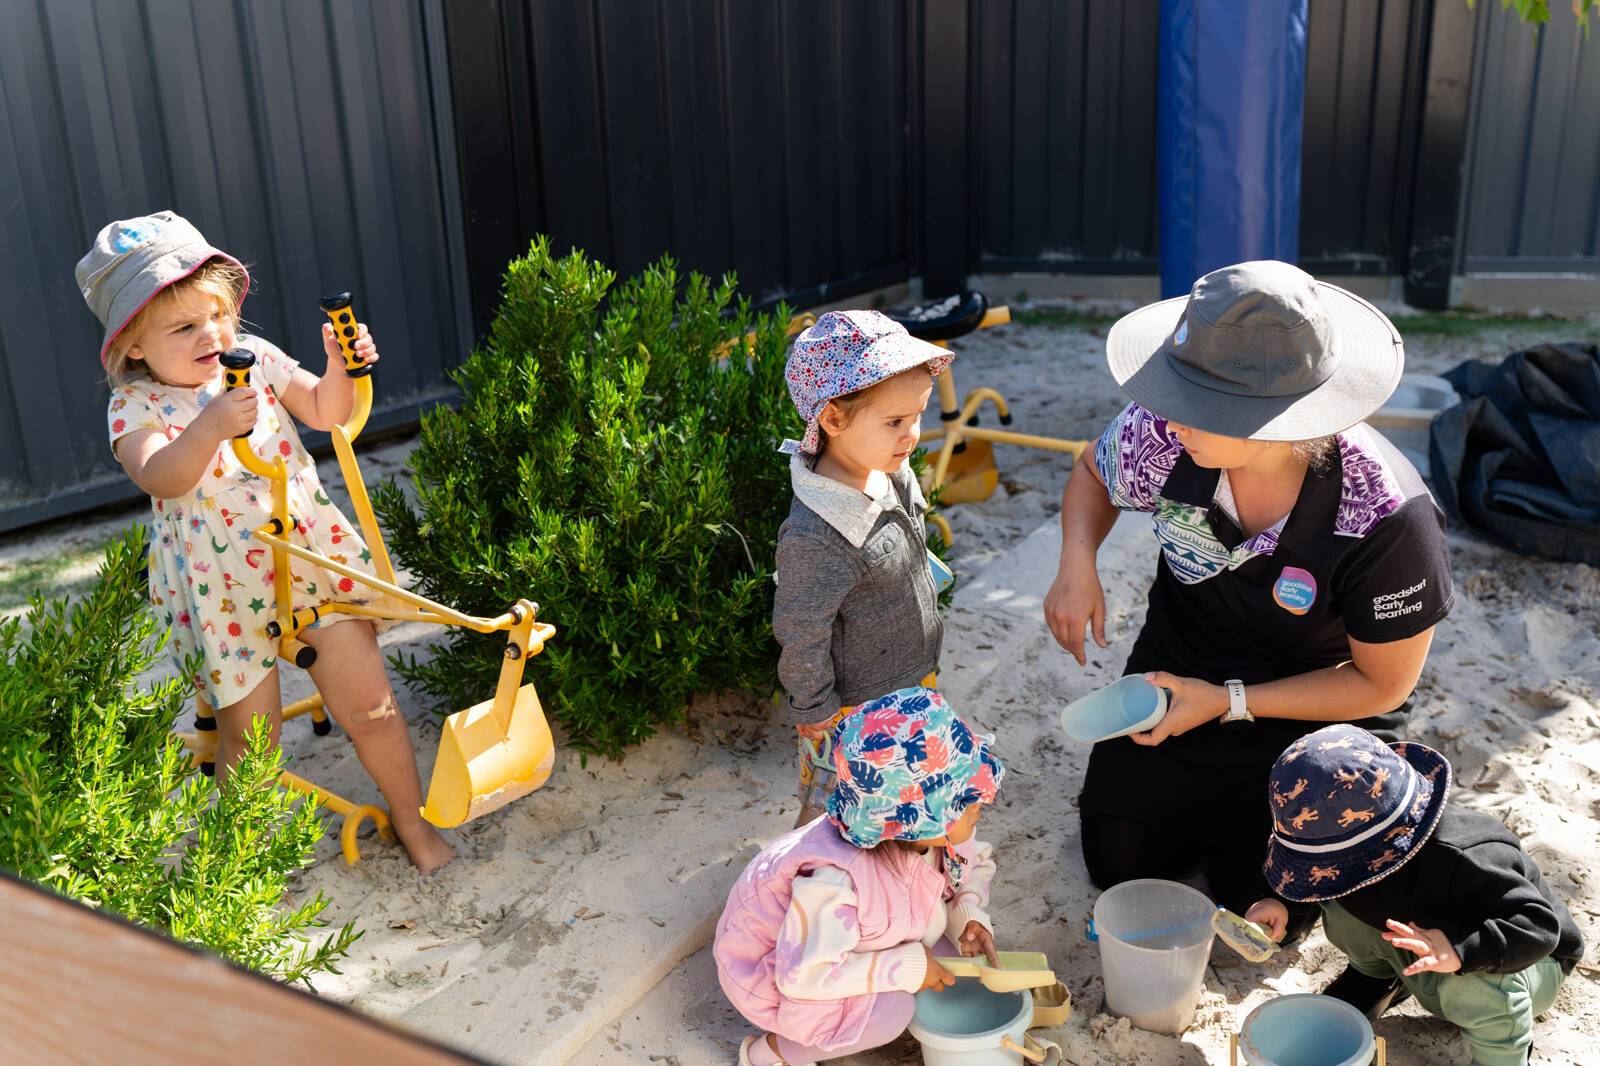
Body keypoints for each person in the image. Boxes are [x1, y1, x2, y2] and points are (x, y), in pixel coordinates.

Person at [1043, 260, 1453, 932]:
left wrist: (1230, 704)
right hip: (1183, 660)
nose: (1171, 419)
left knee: (1258, 892)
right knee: (1119, 860)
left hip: (1313, 702)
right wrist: (1076, 563)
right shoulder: (1165, 429)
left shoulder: (1389, 515)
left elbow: (1382, 684)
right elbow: (1093, 469)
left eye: (1198, 407)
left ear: (1278, 420)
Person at [79, 210, 453, 874]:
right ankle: (237, 869)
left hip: (305, 558)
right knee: (251, 741)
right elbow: (161, 474)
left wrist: (342, 367)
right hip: (222, 590)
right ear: (133, 344)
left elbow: (326, 411)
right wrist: (210, 427)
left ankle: (411, 819)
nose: (213, 334)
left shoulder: (253, 357)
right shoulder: (135, 407)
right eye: (185, 326)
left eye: (219, 314)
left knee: (370, 703)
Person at [1246, 724, 1583, 1066]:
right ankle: (1374, 980)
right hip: (1421, 945)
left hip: (1520, 959)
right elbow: (1322, 881)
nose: (1324, 873)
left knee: (1474, 988)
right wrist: (1283, 904)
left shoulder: (1466, 855)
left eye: (1331, 865)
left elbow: (1540, 927)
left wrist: (1460, 949)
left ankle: (1503, 1057)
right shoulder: (1355, 853)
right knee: (1344, 910)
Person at [714, 688, 1005, 1065]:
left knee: (957, 958)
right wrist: (906, 969)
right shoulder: (836, 879)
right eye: (964, 802)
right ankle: (771, 1053)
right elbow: (802, 975)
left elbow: (970, 867)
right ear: (915, 823)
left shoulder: (921, 837)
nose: (981, 802)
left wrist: (966, 918)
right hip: (777, 974)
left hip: (850, 937)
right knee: (892, 1014)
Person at [772, 311, 950, 826]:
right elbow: (801, 629)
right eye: (895, 422)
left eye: (917, 415)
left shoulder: (886, 470)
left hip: (912, 678)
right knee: (843, 812)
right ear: (831, 419)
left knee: (909, 800)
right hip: (854, 711)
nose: (912, 434)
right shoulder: (816, 534)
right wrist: (814, 710)